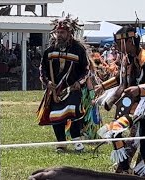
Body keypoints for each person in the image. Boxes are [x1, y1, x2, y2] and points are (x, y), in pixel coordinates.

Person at [94, 26, 145, 177]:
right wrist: (103, 87)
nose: (116, 46)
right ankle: (124, 168)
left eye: (119, 43)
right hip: (134, 109)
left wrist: (139, 89)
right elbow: (120, 79)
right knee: (113, 130)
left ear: (130, 41)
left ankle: (144, 170)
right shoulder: (127, 59)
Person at [37, 15, 89, 152]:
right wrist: (47, 82)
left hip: (72, 88)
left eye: (62, 32)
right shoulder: (50, 51)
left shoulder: (78, 50)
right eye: (58, 32)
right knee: (56, 115)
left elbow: (86, 69)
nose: (59, 35)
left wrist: (79, 82)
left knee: (72, 111)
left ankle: (77, 142)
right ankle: (61, 143)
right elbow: (42, 69)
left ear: (69, 33)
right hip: (55, 90)